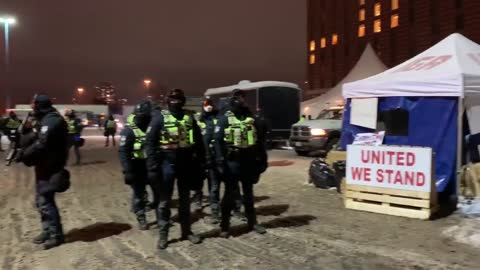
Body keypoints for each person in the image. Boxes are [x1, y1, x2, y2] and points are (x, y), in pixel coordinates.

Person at [146, 89, 204, 249]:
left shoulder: (189, 118)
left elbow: (199, 142)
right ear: (168, 100)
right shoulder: (159, 118)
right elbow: (150, 143)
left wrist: (202, 163)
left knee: (185, 202)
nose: (176, 102)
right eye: (173, 99)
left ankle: (187, 232)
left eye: (178, 99)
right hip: (166, 165)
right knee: (164, 202)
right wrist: (152, 166)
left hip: (185, 165)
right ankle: (163, 235)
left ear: (183, 100)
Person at [16, 94, 69, 250]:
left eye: (34, 105)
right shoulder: (43, 119)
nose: (32, 108)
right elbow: (34, 138)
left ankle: (56, 235)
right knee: (41, 201)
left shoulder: (52, 120)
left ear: (40, 105)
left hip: (51, 167)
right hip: (43, 165)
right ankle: (47, 230)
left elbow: (42, 143)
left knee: (46, 200)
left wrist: (25, 155)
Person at [214, 89, 269, 238]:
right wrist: (220, 161)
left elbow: (259, 140)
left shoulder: (251, 117)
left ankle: (252, 222)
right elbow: (218, 141)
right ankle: (225, 226)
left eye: (243, 97)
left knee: (248, 194)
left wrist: (262, 159)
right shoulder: (225, 118)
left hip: (248, 160)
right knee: (229, 195)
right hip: (232, 161)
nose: (241, 100)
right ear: (232, 99)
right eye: (238, 97)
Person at [119, 101, 160, 230]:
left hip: (152, 165)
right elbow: (123, 152)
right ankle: (141, 217)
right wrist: (128, 171)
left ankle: (161, 218)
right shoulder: (130, 131)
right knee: (139, 194)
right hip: (137, 166)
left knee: (158, 193)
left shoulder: (153, 129)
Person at [191, 98, 222, 223]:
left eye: (210, 104)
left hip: (213, 155)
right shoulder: (198, 120)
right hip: (200, 156)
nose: (208, 107)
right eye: (206, 105)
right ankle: (198, 198)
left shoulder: (217, 118)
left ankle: (215, 209)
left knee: (213, 183)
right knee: (199, 179)